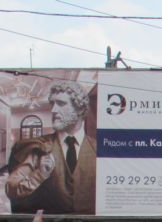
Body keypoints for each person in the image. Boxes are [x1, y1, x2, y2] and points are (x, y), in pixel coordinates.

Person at [6, 80, 97, 215]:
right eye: (52, 104)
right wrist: (39, 175)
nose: (53, 110)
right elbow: (11, 188)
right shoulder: (37, 148)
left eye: (61, 103)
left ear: (80, 109)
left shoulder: (99, 149)